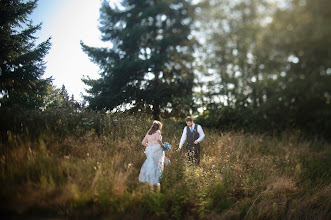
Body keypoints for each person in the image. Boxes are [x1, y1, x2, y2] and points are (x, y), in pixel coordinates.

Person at [139, 120, 165, 187]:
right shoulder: (157, 132)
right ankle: (155, 179)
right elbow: (158, 139)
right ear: (159, 127)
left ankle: (149, 178)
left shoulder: (148, 133)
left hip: (150, 150)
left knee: (150, 163)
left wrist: (150, 146)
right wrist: (162, 145)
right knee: (157, 164)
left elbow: (143, 143)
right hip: (157, 150)